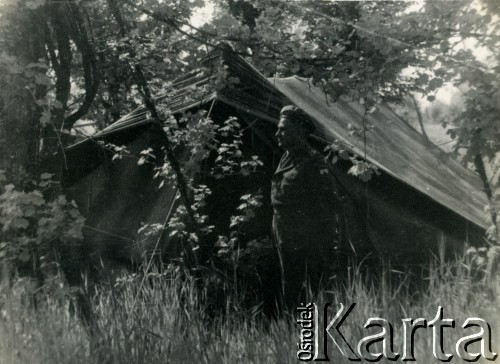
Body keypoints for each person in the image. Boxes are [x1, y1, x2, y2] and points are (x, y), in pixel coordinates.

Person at [271, 105, 342, 308]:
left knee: (306, 294)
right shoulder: (287, 157)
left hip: (305, 243)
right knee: (288, 291)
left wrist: (323, 248)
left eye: (283, 129)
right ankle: (290, 333)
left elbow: (328, 207)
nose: (278, 133)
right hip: (283, 238)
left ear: (300, 131)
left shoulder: (314, 162)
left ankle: (307, 334)